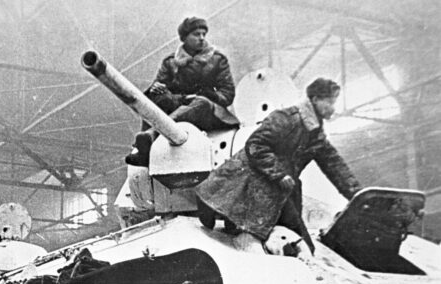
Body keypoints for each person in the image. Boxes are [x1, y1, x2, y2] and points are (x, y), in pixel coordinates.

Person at [194, 78, 361, 253]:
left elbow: (334, 165)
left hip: (281, 189)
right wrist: (278, 174)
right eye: (330, 102)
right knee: (251, 231)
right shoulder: (286, 119)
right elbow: (255, 145)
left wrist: (356, 194)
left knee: (304, 245)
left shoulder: (315, 132)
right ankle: (215, 207)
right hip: (255, 181)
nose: (333, 108)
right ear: (316, 99)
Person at [126, 15, 240, 167]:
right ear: (184, 38)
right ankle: (143, 151)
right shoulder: (171, 62)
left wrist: (208, 94)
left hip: (208, 111)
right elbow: (159, 87)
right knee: (156, 99)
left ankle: (151, 135)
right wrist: (157, 88)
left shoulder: (217, 59)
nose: (201, 38)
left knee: (201, 103)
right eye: (196, 34)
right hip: (180, 103)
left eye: (203, 34)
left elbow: (228, 94)